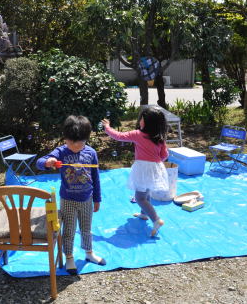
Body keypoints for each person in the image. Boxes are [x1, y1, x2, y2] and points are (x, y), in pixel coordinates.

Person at [36, 115, 106, 275]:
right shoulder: (60, 151)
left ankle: (89, 254)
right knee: (68, 230)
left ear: (86, 138)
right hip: (67, 200)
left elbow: (95, 177)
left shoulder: (91, 153)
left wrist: (97, 198)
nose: (74, 145)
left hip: (87, 199)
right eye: (70, 142)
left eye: (79, 142)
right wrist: (48, 162)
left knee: (86, 229)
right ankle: (69, 257)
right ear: (65, 139)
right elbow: (40, 162)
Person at [102, 106, 168, 237]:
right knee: (147, 191)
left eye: (142, 119)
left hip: (142, 168)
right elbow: (164, 155)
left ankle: (156, 219)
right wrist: (154, 162)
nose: (140, 121)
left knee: (139, 197)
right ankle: (144, 214)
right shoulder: (159, 138)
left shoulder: (137, 135)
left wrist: (107, 127)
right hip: (155, 167)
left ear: (147, 122)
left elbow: (118, 136)